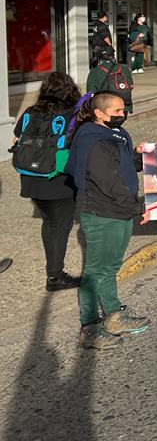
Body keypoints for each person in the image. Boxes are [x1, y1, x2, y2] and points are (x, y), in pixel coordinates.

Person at [67, 91, 151, 350]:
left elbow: (124, 166)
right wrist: (139, 207)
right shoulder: (93, 140)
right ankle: (90, 327)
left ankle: (114, 315)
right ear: (99, 114)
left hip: (119, 212)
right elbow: (109, 183)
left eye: (123, 110)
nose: (122, 115)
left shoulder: (116, 135)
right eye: (116, 111)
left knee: (109, 268)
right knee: (95, 272)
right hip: (104, 214)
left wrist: (138, 156)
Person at [13, 71, 83, 291]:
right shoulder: (73, 114)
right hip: (59, 181)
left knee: (49, 223)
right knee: (60, 226)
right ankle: (55, 277)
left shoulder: (30, 112)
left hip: (31, 179)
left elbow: (17, 138)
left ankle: (53, 271)